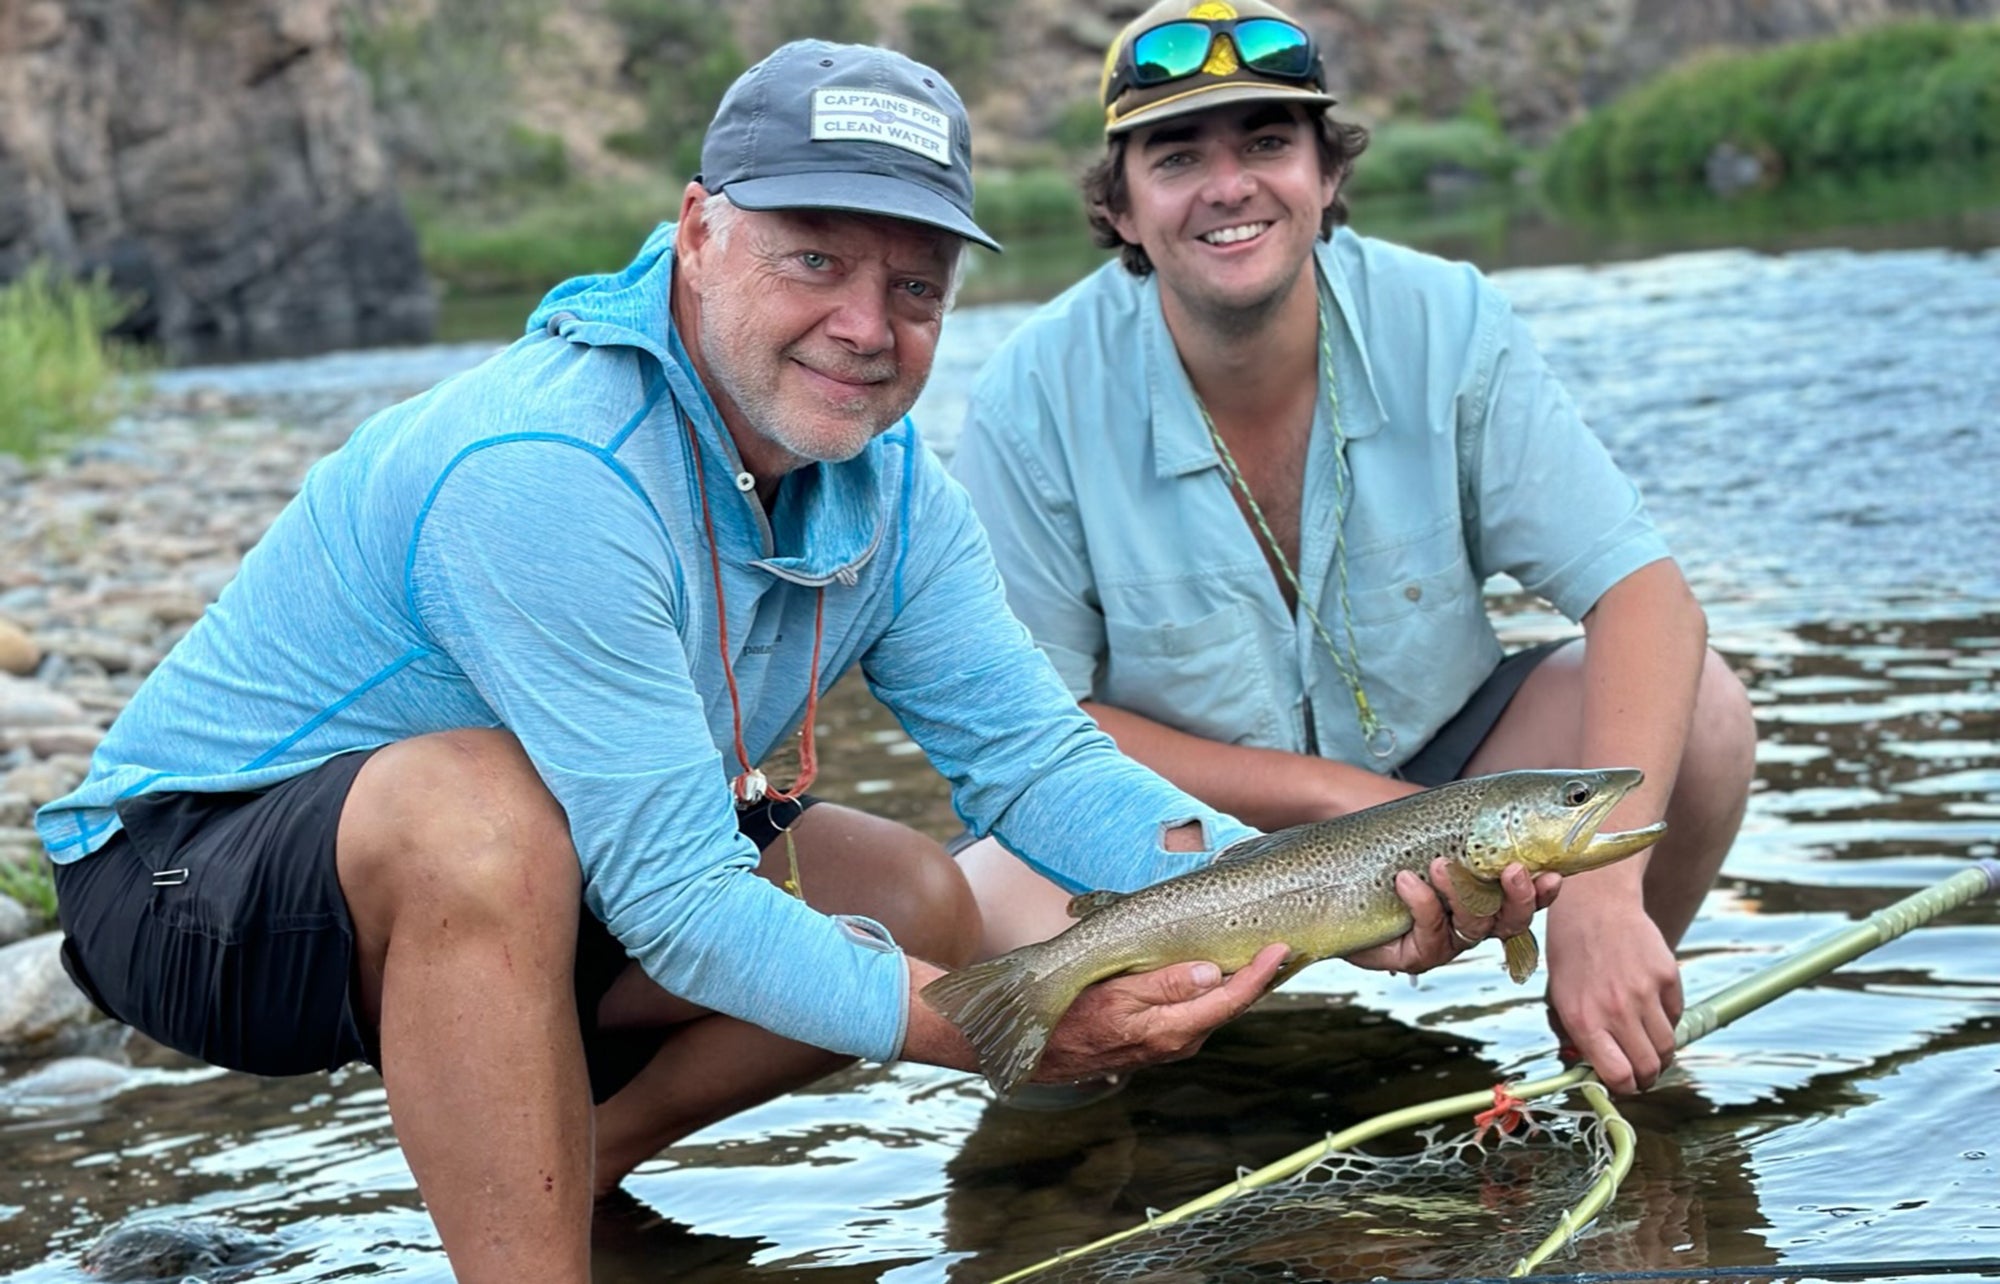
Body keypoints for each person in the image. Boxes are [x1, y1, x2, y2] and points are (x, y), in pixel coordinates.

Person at [35, 40, 1546, 1283]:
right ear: (698, 231)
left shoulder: (893, 489)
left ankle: (569, 1162)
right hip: (186, 883)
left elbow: (1037, 765)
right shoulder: (543, 466)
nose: (864, 326)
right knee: (479, 812)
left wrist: (1337, 902)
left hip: (563, 867)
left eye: (915, 287)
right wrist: (979, 1029)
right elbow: (683, 906)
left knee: (912, 895)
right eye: (813, 257)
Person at [951, 0, 1758, 1100]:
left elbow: (1644, 595)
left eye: (1267, 142)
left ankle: (1605, 1036)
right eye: (1177, 157)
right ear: (1120, 208)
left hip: (1442, 773)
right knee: (993, 928)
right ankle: (1107, 1131)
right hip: (1173, 831)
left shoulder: (1449, 319)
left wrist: (1606, 897)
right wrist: (1341, 800)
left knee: (1703, 715)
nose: (1229, 186)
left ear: (1327, 174)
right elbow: (1035, 727)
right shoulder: (1031, 393)